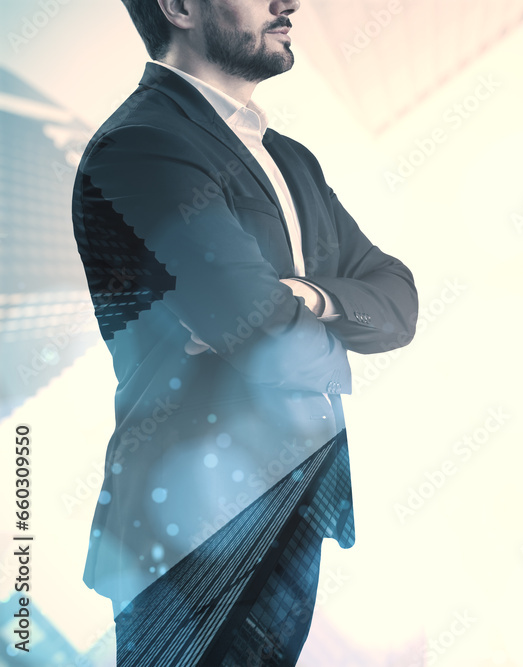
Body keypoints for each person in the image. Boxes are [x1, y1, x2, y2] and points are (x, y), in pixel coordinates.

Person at [70, 0, 418, 662]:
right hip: (195, 527)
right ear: (178, 7)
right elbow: (263, 339)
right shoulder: (142, 145)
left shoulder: (288, 158)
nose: (288, 3)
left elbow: (397, 300)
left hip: (290, 504)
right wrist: (325, 327)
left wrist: (307, 296)